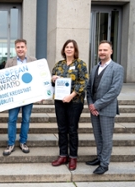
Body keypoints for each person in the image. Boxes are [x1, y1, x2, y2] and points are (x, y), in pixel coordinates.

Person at [86, 40, 124, 175]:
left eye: (105, 50)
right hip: (94, 109)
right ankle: (99, 157)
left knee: (107, 138)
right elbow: (89, 88)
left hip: (107, 109)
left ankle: (104, 164)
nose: (102, 52)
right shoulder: (94, 68)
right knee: (98, 136)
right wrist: (91, 104)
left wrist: (96, 105)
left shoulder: (117, 68)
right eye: (100, 50)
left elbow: (114, 91)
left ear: (111, 51)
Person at [51, 39, 88, 171]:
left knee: (72, 129)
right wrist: (53, 79)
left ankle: (73, 157)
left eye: (71, 47)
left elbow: (83, 82)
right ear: (64, 49)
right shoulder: (59, 64)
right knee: (62, 128)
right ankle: (63, 155)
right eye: (67, 47)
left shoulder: (80, 64)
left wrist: (71, 95)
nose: (69, 49)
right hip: (60, 101)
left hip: (75, 102)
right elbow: (51, 79)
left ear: (75, 49)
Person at [2, 39, 36, 156]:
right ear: (15, 49)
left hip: (28, 96)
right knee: (12, 119)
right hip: (14, 98)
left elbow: (37, 79)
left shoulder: (33, 61)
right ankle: (10, 143)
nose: (20, 49)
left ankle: (23, 142)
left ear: (26, 48)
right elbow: (5, 80)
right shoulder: (10, 62)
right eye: (18, 47)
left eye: (22, 47)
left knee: (26, 119)